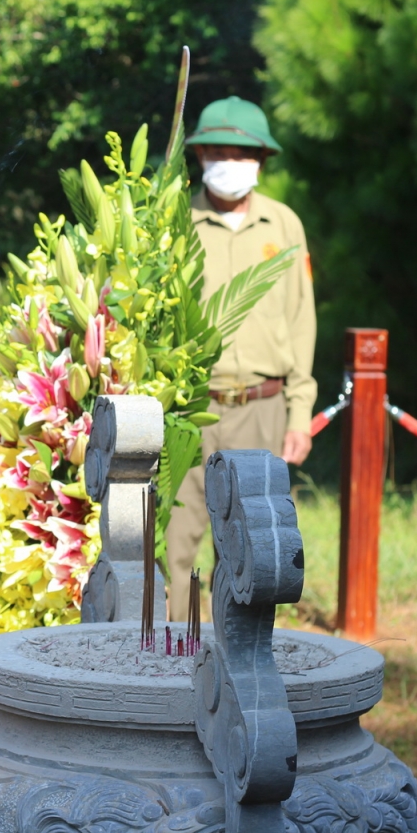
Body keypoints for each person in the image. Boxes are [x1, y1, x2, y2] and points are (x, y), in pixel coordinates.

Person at [166, 97, 316, 619]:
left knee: (253, 548)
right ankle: (172, 667)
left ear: (262, 159)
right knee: (173, 545)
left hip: (262, 406)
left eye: (243, 152)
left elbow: (301, 322)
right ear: (200, 153)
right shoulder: (174, 222)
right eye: (218, 150)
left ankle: (243, 668)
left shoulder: (284, 225)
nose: (230, 161)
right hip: (188, 408)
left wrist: (300, 414)